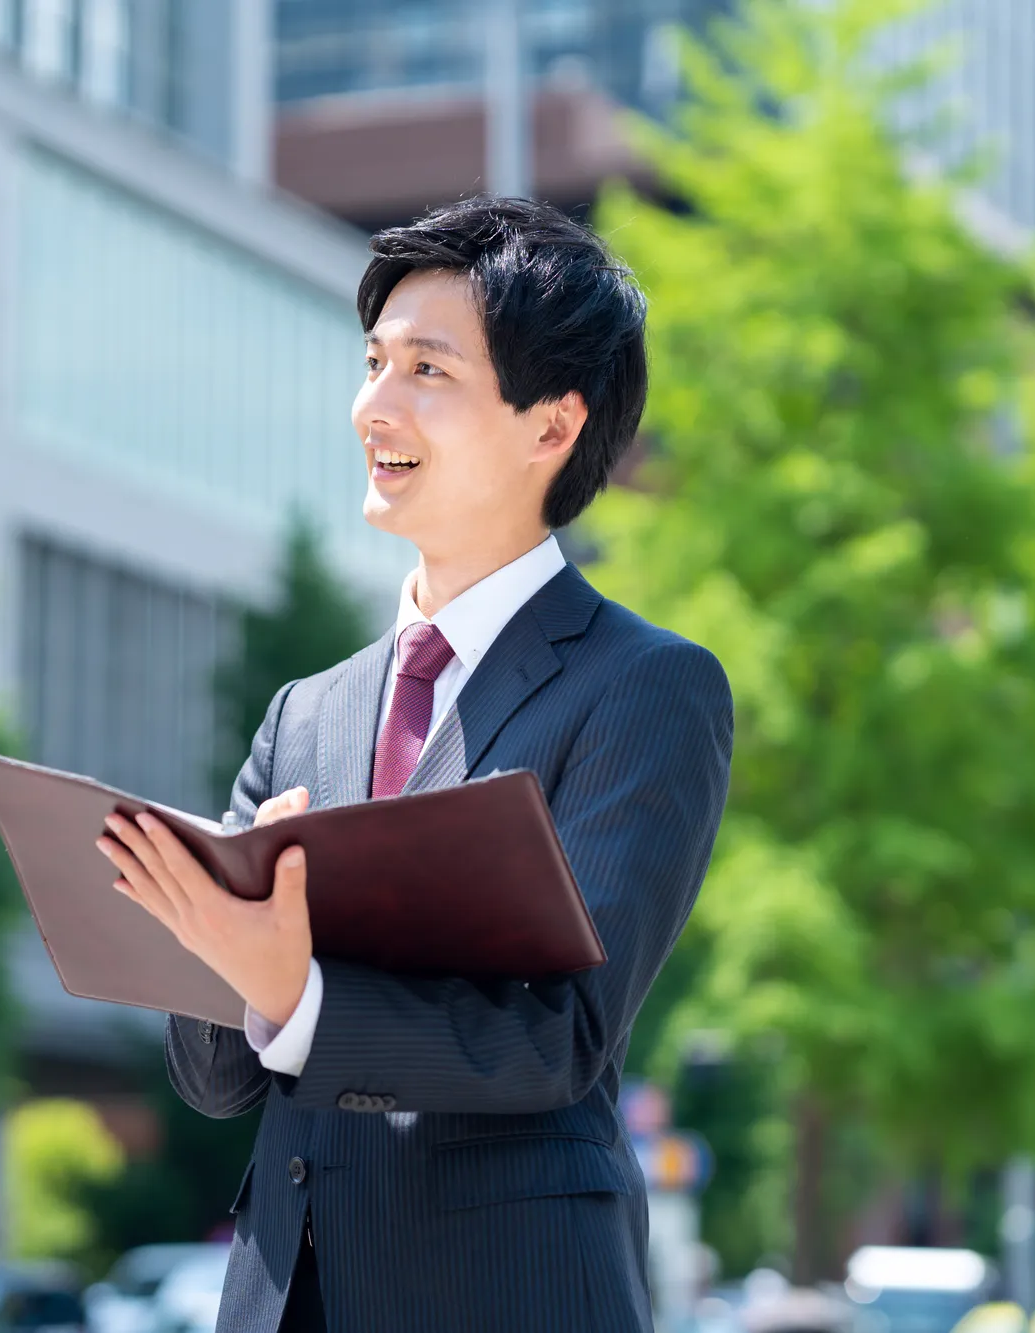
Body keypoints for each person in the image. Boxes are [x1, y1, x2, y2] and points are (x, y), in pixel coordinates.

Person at [94, 196, 735, 1333]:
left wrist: (292, 986)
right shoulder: (307, 713)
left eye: (425, 370)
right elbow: (212, 1080)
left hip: (508, 1294)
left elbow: (560, 1035)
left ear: (550, 426)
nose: (370, 406)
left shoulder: (643, 688)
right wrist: (213, 940)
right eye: (373, 362)